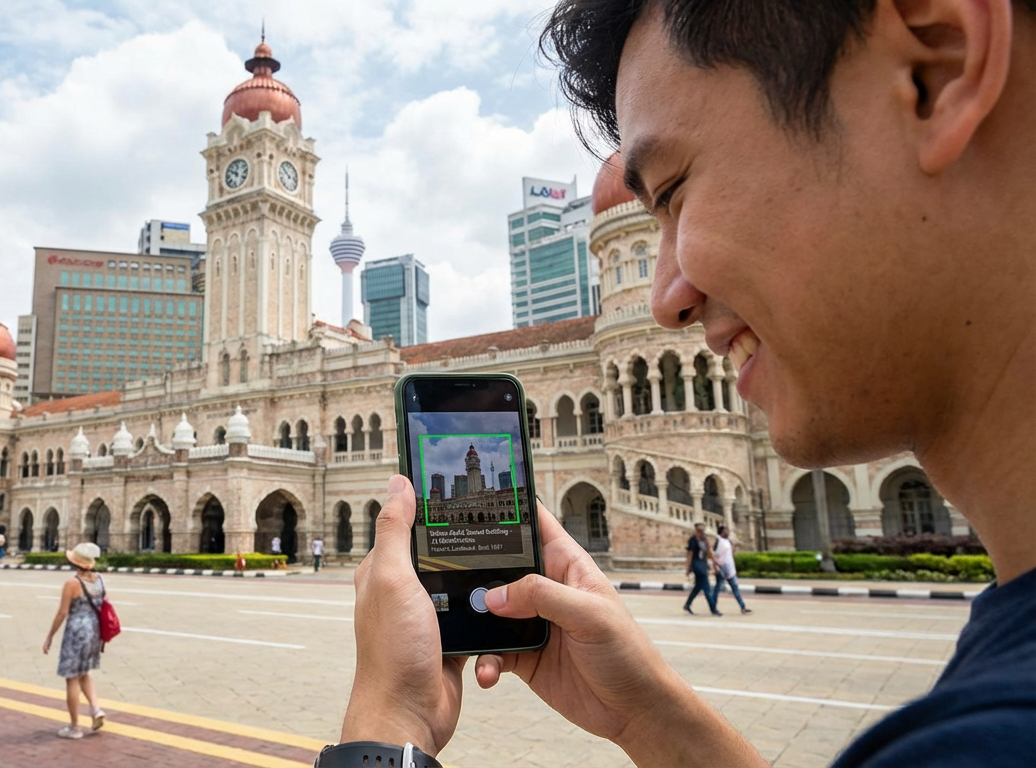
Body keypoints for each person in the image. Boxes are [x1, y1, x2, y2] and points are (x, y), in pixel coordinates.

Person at [333, 2, 1036, 766]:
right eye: (643, 242)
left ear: (935, 68)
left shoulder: (987, 738)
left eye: (674, 192)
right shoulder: (1001, 667)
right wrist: (652, 718)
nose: (666, 297)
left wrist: (388, 723)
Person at [42, 541, 107, 739]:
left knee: (71, 677)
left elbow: (62, 613)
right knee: (84, 672)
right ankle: (96, 709)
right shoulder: (99, 579)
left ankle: (74, 727)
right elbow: (104, 605)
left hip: (76, 633)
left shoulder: (72, 583)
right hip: (94, 631)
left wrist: (50, 636)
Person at [683, 523, 720, 616]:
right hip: (697, 564)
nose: (701, 532)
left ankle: (687, 604)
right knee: (706, 587)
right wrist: (688, 568)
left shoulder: (704, 540)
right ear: (696, 530)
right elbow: (690, 554)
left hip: (703, 563)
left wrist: (714, 564)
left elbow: (709, 552)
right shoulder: (693, 540)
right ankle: (713, 609)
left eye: (702, 531)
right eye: (700, 530)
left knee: (698, 587)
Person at [713, 526, 750, 615]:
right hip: (721, 567)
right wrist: (715, 567)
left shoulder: (728, 542)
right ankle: (713, 606)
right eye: (726, 531)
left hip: (729, 568)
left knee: (735, 587)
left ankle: (742, 606)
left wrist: (733, 547)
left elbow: (730, 556)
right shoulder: (718, 541)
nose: (728, 532)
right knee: (718, 588)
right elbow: (714, 555)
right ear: (722, 532)